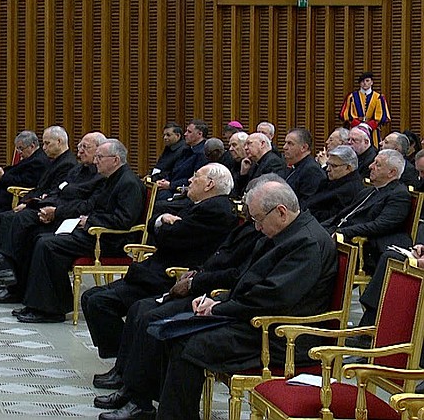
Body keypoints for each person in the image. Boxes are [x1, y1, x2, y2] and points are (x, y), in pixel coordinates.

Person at [100, 180, 337, 420]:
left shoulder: (306, 242)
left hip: (278, 335)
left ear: (281, 212)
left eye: (258, 219)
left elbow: (273, 296)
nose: (256, 227)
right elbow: (250, 283)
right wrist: (214, 300)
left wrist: (220, 308)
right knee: (172, 331)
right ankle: (160, 409)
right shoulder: (287, 233)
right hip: (255, 319)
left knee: (188, 345)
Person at [81, 163, 236, 360]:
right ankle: (125, 357)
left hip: (168, 275)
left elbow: (171, 239)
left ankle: (126, 359)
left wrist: (163, 227)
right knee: (90, 297)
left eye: (196, 176)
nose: (190, 180)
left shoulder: (215, 210)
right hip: (155, 269)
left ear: (209, 184)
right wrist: (162, 221)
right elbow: (159, 220)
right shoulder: (198, 204)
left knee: (99, 302)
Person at [14, 139, 144, 323]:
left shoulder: (128, 183)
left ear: (115, 160)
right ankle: (42, 304)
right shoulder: (111, 179)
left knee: (47, 244)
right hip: (93, 233)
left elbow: (123, 220)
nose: (96, 161)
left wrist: (90, 221)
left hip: (108, 241)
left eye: (100, 157)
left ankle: (51, 310)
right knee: (41, 238)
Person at [0, 126, 78, 274]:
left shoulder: (67, 164)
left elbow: (54, 193)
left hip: (47, 209)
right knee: (2, 217)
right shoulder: (55, 161)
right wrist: (26, 201)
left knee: (10, 218)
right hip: (38, 202)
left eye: (47, 143)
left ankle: (1, 265)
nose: (43, 148)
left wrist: (29, 204)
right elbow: (40, 188)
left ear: (59, 142)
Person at [325, 148, 412, 272]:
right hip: (341, 235)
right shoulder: (369, 190)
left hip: (364, 247)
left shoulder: (399, 195)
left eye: (378, 164)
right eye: (373, 162)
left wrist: (343, 232)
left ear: (392, 172)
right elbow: (344, 215)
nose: (371, 166)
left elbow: (380, 225)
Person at [306, 145, 365, 225]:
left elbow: (331, 219)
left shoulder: (349, 191)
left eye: (334, 166)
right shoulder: (331, 180)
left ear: (348, 168)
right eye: (328, 164)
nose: (328, 169)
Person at [340, 71, 391, 146]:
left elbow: (380, 117)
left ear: (371, 82)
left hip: (372, 130)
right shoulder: (352, 97)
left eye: (367, 81)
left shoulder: (378, 97)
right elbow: (347, 115)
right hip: (355, 129)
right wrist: (359, 125)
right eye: (362, 81)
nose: (365, 83)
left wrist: (368, 126)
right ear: (360, 83)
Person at [277, 127, 325, 205]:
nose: (284, 147)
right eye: (285, 143)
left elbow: (306, 204)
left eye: (290, 143)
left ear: (304, 147)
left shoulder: (312, 171)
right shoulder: (296, 166)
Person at [232, 132, 284, 196]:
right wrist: (244, 174)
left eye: (249, 143)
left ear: (262, 144)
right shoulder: (254, 163)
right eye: (245, 145)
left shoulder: (273, 162)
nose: (245, 148)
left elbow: (270, 191)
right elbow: (243, 190)